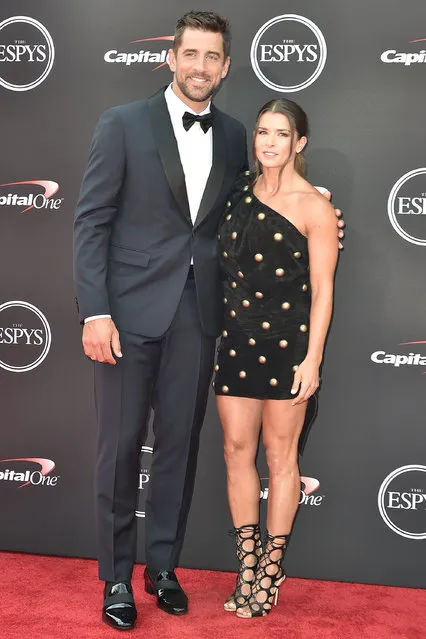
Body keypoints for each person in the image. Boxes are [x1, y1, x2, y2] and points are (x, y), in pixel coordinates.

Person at [73, 10, 344, 631]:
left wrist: (324, 212)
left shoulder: (230, 135)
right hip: (126, 317)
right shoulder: (122, 124)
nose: (200, 67)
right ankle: (116, 577)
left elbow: (267, 204)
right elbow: (89, 221)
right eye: (190, 54)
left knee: (178, 450)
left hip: (202, 319)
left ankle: (161, 566)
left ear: (225, 66)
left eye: (212, 58)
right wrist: (96, 311)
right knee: (118, 451)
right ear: (171, 57)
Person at [214, 99, 339, 618]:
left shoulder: (315, 206)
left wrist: (312, 361)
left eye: (281, 134)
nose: (268, 142)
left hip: (288, 345)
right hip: (237, 340)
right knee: (235, 451)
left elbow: (324, 291)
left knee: (280, 459)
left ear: (299, 143)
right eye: (262, 132)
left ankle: (271, 570)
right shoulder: (237, 191)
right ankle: (246, 565)